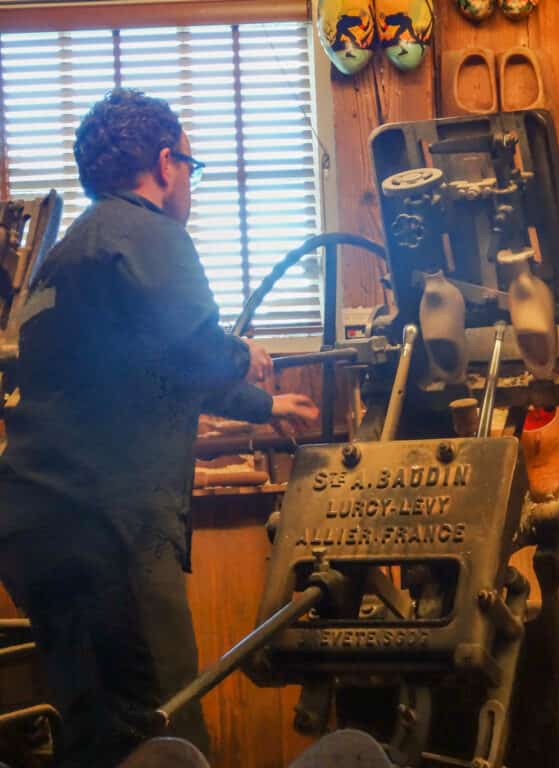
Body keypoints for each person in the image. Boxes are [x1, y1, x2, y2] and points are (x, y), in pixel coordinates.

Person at [0, 88, 320, 767]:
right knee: (164, 728)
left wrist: (268, 409)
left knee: (95, 737)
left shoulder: (64, 260)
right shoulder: (148, 233)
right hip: (110, 531)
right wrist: (247, 358)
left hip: (35, 532)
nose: (189, 188)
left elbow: (151, 368)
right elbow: (198, 353)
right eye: (192, 170)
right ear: (168, 163)